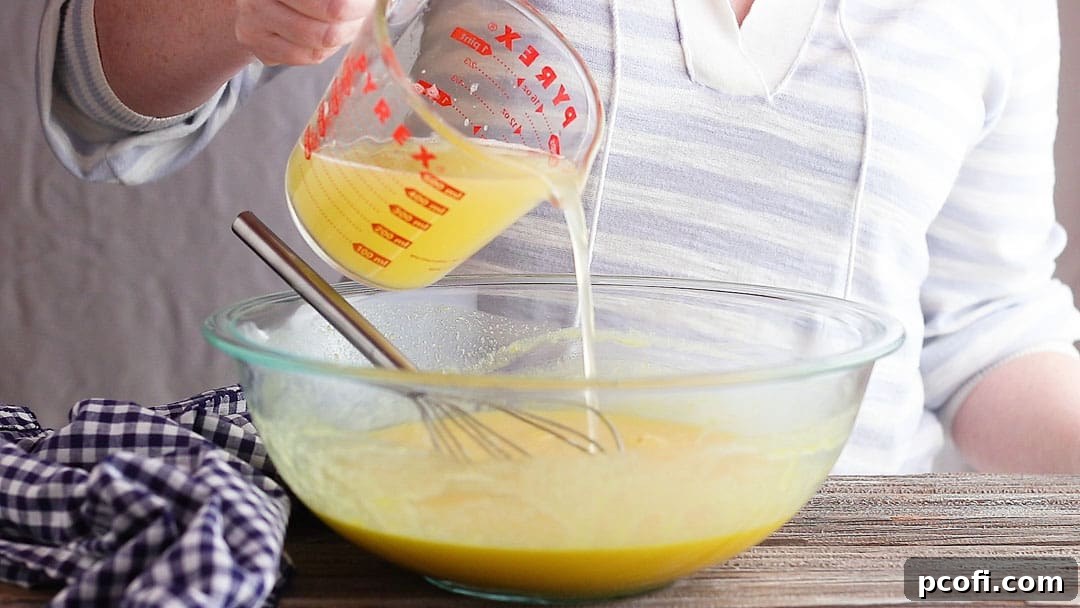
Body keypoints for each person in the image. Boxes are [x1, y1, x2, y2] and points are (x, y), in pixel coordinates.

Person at [37, 0, 1080, 474]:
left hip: (844, 553)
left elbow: (987, 331)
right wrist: (232, 15)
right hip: (452, 510)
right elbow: (99, 96)